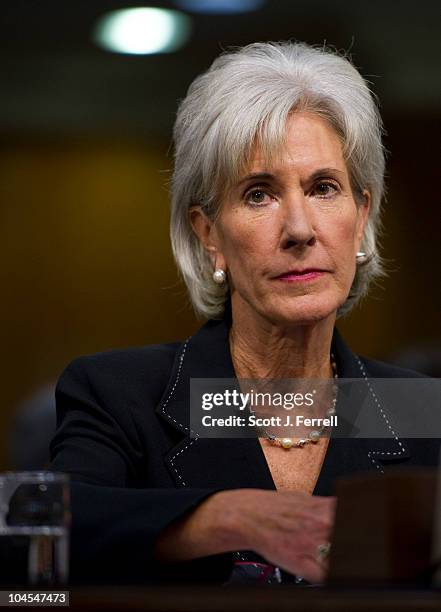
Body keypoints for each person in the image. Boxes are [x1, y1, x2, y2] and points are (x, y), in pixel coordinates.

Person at [50, 41, 440, 586]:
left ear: (362, 214)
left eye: (324, 188)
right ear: (209, 234)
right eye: (259, 194)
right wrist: (225, 518)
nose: (300, 229)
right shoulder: (121, 396)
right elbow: (43, 535)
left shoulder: (421, 414)